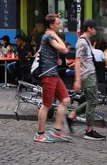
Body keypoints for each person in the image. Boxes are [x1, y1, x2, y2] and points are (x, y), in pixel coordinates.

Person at [67, 19, 106, 141]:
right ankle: (89, 131)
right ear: (89, 28)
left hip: (90, 74)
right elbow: (77, 60)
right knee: (93, 101)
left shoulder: (87, 41)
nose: (96, 30)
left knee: (92, 100)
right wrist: (77, 80)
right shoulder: (82, 42)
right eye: (94, 28)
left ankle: (72, 115)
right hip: (86, 75)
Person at [35, 14, 71, 143]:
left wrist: (56, 60)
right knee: (46, 105)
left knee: (66, 100)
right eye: (58, 23)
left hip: (54, 73)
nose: (60, 25)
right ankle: (39, 134)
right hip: (48, 74)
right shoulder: (49, 36)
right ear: (51, 25)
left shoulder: (50, 36)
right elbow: (64, 49)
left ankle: (56, 129)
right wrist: (56, 36)